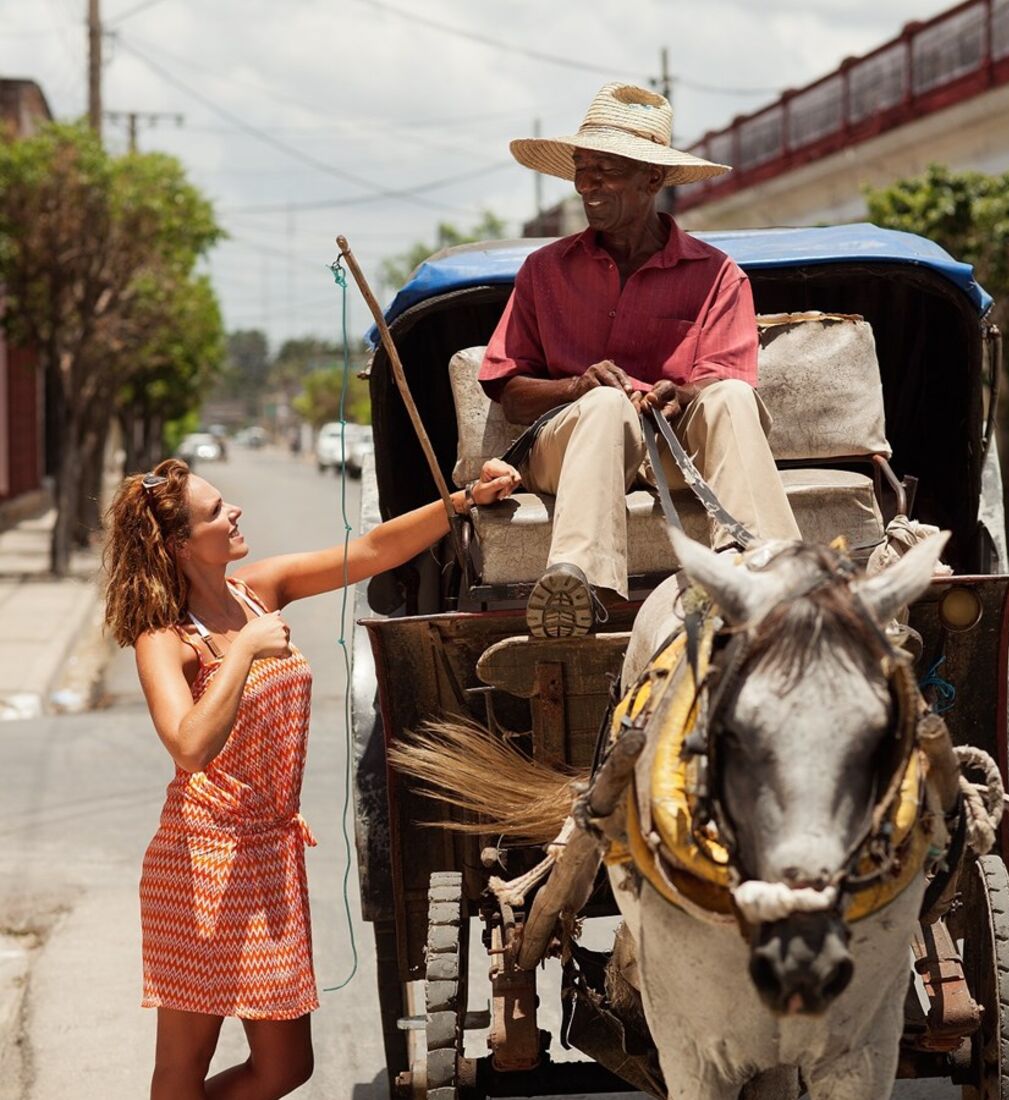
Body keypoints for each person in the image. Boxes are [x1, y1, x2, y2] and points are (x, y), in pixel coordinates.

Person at [102, 455, 518, 1099]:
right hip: (201, 868)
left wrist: (462, 501)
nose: (234, 511)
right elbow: (188, 747)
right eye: (216, 511)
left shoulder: (257, 590)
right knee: (180, 1071)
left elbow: (374, 549)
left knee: (287, 1067)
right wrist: (241, 651)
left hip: (270, 859)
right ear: (180, 547)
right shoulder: (166, 638)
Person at [480, 82, 802, 639]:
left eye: (606, 169)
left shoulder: (717, 274)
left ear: (652, 179)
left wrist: (682, 392)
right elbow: (508, 390)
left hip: (673, 449)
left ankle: (760, 564)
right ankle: (575, 581)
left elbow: (727, 378)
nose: (587, 183)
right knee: (605, 402)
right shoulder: (544, 270)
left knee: (729, 396)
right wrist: (576, 387)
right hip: (573, 447)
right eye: (582, 168)